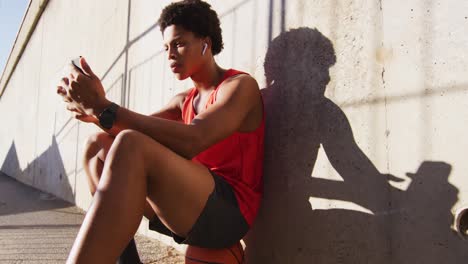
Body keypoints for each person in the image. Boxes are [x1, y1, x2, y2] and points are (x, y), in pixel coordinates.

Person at [56, 0, 265, 263]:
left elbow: (194, 139)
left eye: (178, 43)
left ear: (206, 42)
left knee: (132, 144)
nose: (169, 55)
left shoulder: (239, 86)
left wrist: (105, 108)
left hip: (230, 214)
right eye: (166, 47)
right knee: (97, 145)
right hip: (189, 206)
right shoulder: (183, 100)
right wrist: (95, 109)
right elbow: (127, 130)